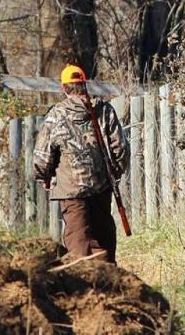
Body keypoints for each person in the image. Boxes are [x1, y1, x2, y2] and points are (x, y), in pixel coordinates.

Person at [33, 64, 129, 264]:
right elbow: (120, 148)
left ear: (64, 88)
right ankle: (108, 284)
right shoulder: (104, 110)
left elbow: (42, 155)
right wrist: (114, 173)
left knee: (78, 241)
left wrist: (44, 176)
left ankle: (82, 286)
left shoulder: (56, 115)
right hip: (102, 186)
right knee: (103, 240)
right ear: (84, 85)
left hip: (71, 192)